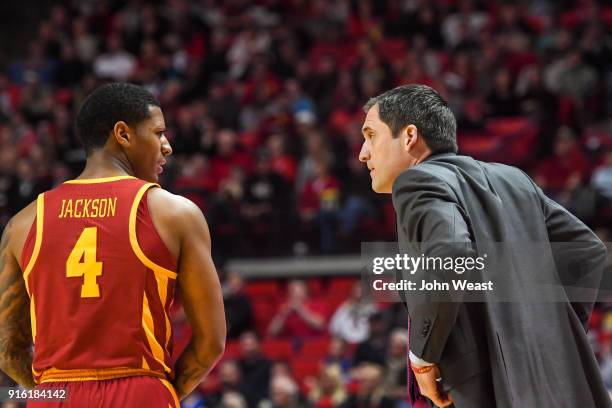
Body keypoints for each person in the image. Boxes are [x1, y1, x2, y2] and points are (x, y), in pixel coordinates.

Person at [358, 84, 610, 407]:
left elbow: (453, 254)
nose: (363, 153)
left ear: (409, 137)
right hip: (558, 383)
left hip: (486, 391)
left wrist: (422, 355)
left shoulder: (416, 182)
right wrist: (551, 333)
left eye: (370, 135)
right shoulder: (514, 179)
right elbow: (586, 251)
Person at [0, 83, 226, 407]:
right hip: (139, 389)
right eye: (158, 132)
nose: (167, 146)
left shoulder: (21, 223)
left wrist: (51, 393)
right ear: (123, 134)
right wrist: (160, 394)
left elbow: (7, 349)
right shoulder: (175, 213)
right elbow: (211, 343)